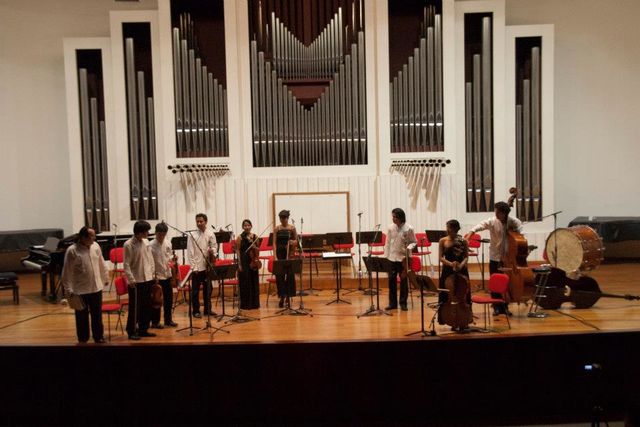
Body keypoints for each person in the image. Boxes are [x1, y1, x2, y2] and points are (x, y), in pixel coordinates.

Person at [466, 201, 524, 316]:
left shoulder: (514, 222)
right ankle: (496, 306)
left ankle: (505, 306)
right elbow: (479, 226)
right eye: (496, 211)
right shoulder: (492, 221)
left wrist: (513, 232)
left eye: (498, 212)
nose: (496, 214)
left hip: (509, 258)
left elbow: (521, 235)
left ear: (504, 213)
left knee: (507, 283)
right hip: (495, 256)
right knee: (495, 282)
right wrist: (470, 235)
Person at [61, 226, 108, 344]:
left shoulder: (96, 246)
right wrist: (68, 290)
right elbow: (67, 271)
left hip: (96, 287)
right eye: (92, 236)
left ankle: (99, 337)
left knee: (97, 315)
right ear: (83, 237)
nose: (94, 238)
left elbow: (101, 263)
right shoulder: (72, 250)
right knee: (81, 317)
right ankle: (83, 339)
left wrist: (105, 277)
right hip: (80, 290)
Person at [123, 220, 156, 340]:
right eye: (146, 231)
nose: (148, 233)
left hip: (147, 278)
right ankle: (131, 330)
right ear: (139, 232)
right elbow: (126, 264)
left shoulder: (146, 242)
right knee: (135, 308)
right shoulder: (128, 244)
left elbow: (150, 258)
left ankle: (143, 329)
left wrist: (153, 274)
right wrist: (131, 280)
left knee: (146, 306)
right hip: (136, 281)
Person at [438, 219, 470, 325]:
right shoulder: (442, 241)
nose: (447, 230)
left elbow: (466, 257)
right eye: (447, 227)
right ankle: (447, 317)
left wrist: (460, 266)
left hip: (461, 270)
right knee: (446, 295)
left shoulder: (463, 241)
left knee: (463, 295)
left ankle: (464, 318)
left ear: (456, 229)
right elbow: (440, 258)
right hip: (447, 270)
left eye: (450, 228)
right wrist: (451, 264)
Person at [384, 208, 417, 311]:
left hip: (403, 258)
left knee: (403, 280)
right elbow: (387, 242)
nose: (393, 218)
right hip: (392, 258)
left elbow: (414, 242)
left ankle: (403, 303)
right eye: (392, 216)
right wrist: (386, 256)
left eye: (395, 216)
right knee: (391, 281)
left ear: (400, 217)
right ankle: (392, 303)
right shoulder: (390, 228)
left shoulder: (409, 228)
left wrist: (409, 248)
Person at [187, 213, 217, 318]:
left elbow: (214, 247)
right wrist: (194, 266)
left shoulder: (210, 233)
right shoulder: (192, 235)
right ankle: (196, 310)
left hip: (207, 266)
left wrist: (212, 252)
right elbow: (190, 252)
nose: (199, 223)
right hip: (197, 267)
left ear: (206, 222)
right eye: (197, 221)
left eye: (201, 221)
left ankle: (207, 309)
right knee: (195, 290)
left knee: (208, 288)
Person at [150, 222, 178, 328]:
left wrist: (173, 259)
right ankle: (155, 322)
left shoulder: (168, 243)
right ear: (156, 233)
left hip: (167, 274)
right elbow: (150, 262)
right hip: (157, 276)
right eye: (159, 234)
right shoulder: (150, 245)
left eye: (163, 234)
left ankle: (168, 320)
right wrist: (154, 276)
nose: (161, 237)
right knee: (157, 300)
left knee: (168, 299)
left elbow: (169, 257)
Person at [274, 210, 298, 308]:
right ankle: (282, 296)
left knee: (289, 275)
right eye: (281, 218)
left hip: (289, 253)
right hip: (280, 253)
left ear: (288, 218)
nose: (283, 220)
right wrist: (275, 256)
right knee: (279, 276)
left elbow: (297, 241)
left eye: (285, 218)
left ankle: (288, 296)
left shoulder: (292, 228)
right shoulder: (277, 228)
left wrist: (293, 242)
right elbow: (274, 243)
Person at [236, 219, 261, 310]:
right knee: (245, 283)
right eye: (245, 225)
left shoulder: (255, 237)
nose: (246, 227)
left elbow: (258, 250)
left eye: (248, 225)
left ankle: (255, 304)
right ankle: (246, 304)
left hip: (253, 261)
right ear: (243, 227)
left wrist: (255, 247)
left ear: (251, 226)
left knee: (254, 282)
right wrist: (239, 264)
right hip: (244, 261)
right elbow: (238, 251)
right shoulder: (240, 237)